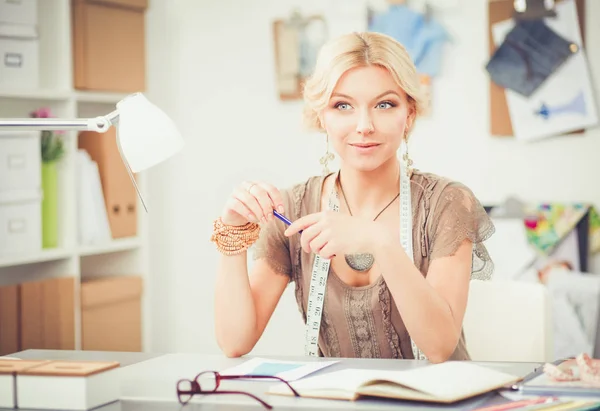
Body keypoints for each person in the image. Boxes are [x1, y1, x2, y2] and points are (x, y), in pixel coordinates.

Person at [211, 31, 494, 363]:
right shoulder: (294, 209)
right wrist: (233, 235)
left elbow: (440, 346)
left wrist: (379, 241)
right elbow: (235, 341)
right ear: (321, 116)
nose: (364, 126)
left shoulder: (447, 203)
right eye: (342, 105)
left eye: (384, 104)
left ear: (410, 115)